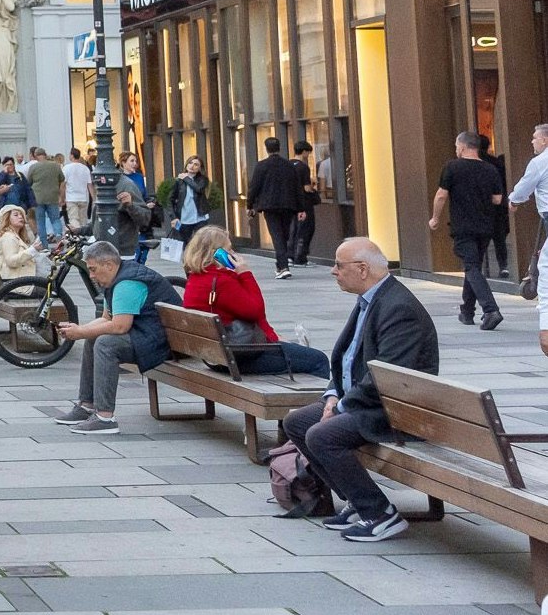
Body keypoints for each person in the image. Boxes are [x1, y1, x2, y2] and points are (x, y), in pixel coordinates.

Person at [281, 238, 440, 541]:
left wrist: (339, 408)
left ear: (363, 269)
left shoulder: (399, 308)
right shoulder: (370, 299)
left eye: (339, 265)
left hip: (397, 411)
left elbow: (388, 378)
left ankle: (380, 514)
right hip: (369, 401)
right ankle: (357, 500)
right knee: (297, 422)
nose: (333, 271)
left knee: (322, 434)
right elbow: (349, 361)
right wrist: (332, 396)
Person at [51, 240, 182, 435]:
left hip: (161, 342)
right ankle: (87, 406)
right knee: (95, 337)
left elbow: (120, 326)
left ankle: (105, 418)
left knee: (105, 343)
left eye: (94, 269)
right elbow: (106, 318)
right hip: (148, 334)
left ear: (109, 265)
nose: (92, 276)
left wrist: (80, 332)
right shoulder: (115, 279)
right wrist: (81, 329)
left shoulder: (127, 283)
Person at [180, 225, 330, 377]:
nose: (233, 254)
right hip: (238, 356)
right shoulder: (221, 281)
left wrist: (275, 337)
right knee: (319, 360)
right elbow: (255, 311)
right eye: (229, 249)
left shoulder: (196, 278)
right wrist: (245, 273)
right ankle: (323, 401)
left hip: (215, 356)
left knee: (300, 354)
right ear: (217, 254)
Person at [429, 130, 506, 330]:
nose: (456, 149)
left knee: (471, 267)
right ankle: (467, 312)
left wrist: (435, 218)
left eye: (456, 146)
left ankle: (490, 310)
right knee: (473, 267)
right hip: (485, 226)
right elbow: (497, 199)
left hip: (463, 226)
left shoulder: (452, 167)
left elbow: (440, 196)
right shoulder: (490, 169)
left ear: (462, 147)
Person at [506, 123, 548, 344]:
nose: (532, 141)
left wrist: (513, 200)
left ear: (545, 140)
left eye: (535, 138)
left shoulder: (540, 162)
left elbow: (524, 187)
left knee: (545, 267)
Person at [247, 137, 307, 279]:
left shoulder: (261, 166)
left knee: (277, 235)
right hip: (288, 205)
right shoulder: (289, 166)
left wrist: (250, 205)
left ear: (266, 148)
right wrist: (301, 208)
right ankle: (282, 263)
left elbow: (254, 187)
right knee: (284, 235)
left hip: (270, 206)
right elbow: (297, 187)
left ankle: (283, 266)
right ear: (280, 148)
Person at [478, 134, 511, 280]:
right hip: (499, 207)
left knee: (480, 240)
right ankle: (503, 266)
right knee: (499, 238)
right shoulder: (497, 163)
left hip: (481, 207)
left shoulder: (477, 164)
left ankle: (480, 267)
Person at [168, 155, 212, 244]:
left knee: (200, 243)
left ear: (200, 168)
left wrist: (186, 178)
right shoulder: (178, 181)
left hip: (199, 217)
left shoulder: (203, 179)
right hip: (184, 217)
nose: (192, 166)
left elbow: (199, 189)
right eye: (190, 163)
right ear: (186, 165)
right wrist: (173, 217)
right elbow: (170, 200)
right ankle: (187, 258)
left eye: (196, 164)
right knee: (185, 244)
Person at [291, 141, 320, 267]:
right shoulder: (303, 167)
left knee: (294, 229)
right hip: (304, 203)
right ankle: (301, 257)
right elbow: (307, 188)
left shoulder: (289, 164)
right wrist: (314, 185)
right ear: (304, 152)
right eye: (308, 152)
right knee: (306, 229)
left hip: (291, 203)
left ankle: (291, 255)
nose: (308, 155)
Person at [0, 205, 39, 281]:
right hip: (15, 284)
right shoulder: (8, 237)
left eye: (21, 215)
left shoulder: (16, 236)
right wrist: (32, 250)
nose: (20, 217)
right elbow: (11, 261)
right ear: (7, 219)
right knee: (51, 291)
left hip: (20, 280)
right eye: (16, 215)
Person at [28, 148, 65, 240]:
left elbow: (29, 182)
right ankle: (58, 234)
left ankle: (43, 243)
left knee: (40, 221)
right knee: (55, 219)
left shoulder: (33, 167)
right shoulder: (56, 166)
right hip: (52, 197)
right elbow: (62, 179)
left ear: (36, 156)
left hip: (38, 198)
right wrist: (61, 196)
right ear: (45, 154)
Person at [104, 189, 153, 257]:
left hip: (124, 248)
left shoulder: (127, 185)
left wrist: (130, 205)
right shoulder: (102, 188)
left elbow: (144, 219)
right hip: (109, 247)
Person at [63, 148, 94, 230]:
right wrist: (94, 198)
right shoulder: (85, 169)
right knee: (83, 220)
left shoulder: (66, 168)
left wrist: (62, 197)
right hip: (83, 198)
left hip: (71, 198)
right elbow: (90, 185)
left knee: (73, 219)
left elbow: (63, 184)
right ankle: (83, 236)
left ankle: (77, 234)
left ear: (72, 155)